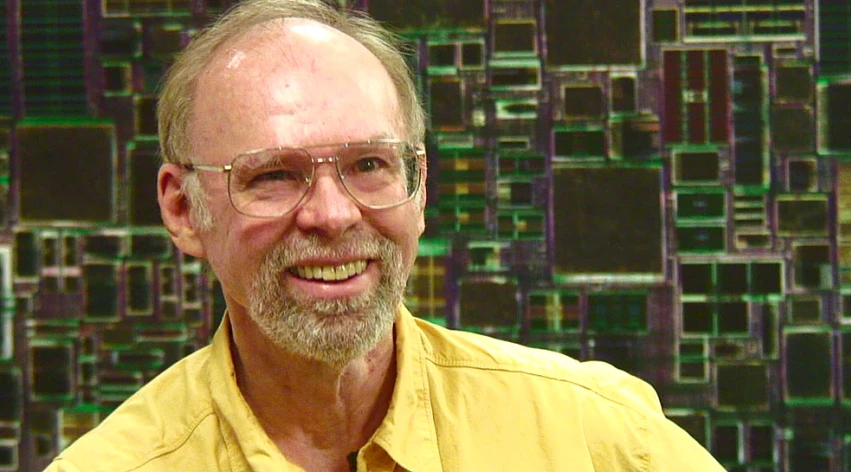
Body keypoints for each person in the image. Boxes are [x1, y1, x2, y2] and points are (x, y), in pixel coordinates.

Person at [47, 0, 725, 470]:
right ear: (183, 209)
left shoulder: (596, 438)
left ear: (420, 185)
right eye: (275, 175)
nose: (333, 214)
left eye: (369, 165)